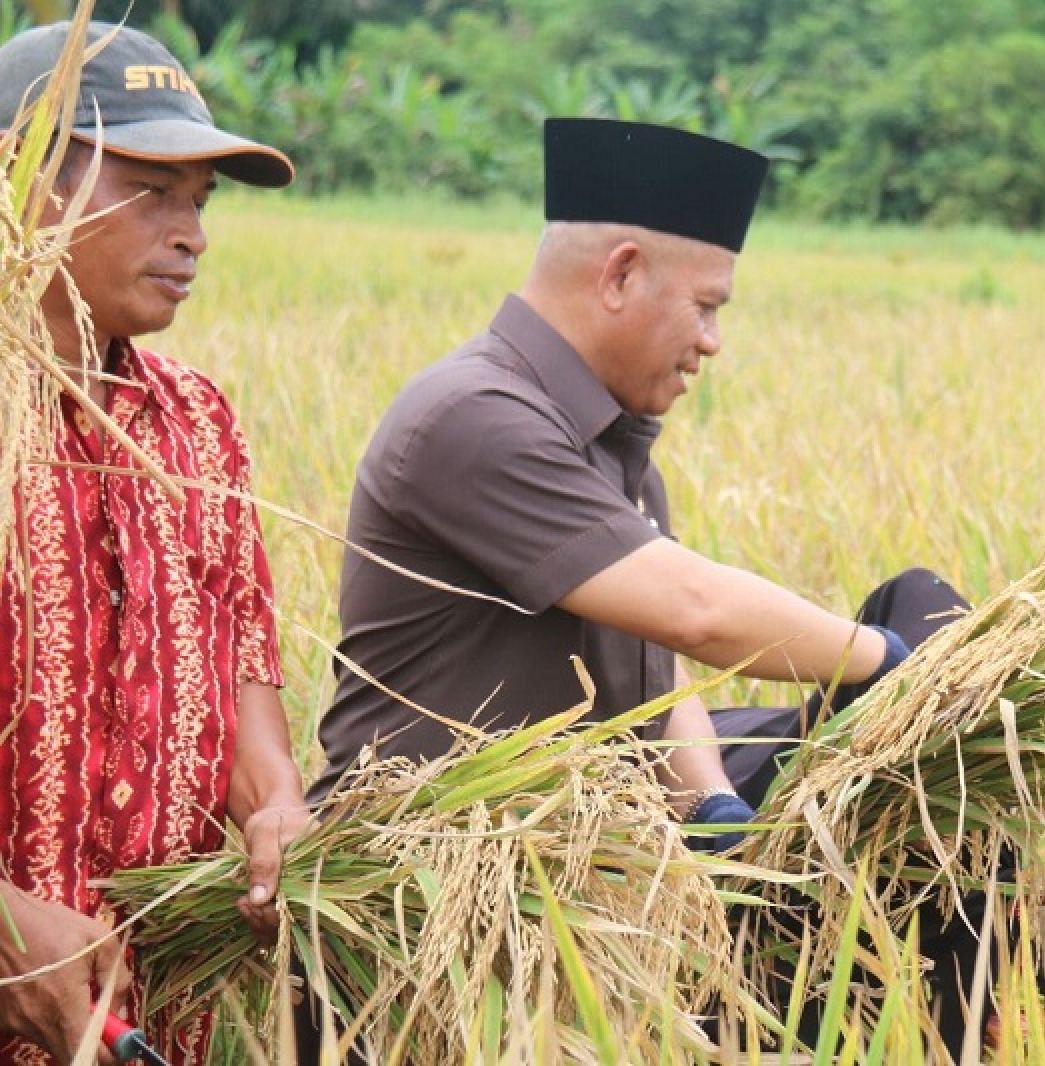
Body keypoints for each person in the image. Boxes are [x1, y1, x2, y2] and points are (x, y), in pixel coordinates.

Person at [308, 118, 1003, 1052]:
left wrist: (712, 804)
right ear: (621, 274)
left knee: (915, 744)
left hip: (590, 836)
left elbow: (654, 670)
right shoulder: (475, 417)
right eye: (707, 306)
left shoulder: (608, 446)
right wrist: (900, 668)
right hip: (442, 867)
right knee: (908, 640)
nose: (713, 342)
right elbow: (701, 614)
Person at [0, 22, 308, 1066]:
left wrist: (278, 812)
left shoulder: (197, 425)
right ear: (20, 183)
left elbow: (245, 686)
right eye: (152, 191)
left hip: (156, 1022)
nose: (194, 236)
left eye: (201, 203)